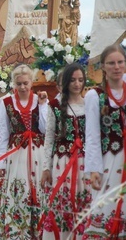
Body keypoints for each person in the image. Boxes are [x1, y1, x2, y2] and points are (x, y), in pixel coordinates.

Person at [83, 44, 126, 238]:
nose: (116, 67)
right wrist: (93, 170)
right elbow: (91, 134)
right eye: (111, 63)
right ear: (103, 67)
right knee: (105, 205)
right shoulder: (95, 96)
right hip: (109, 159)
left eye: (120, 62)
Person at [0, 65, 48, 237]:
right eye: (19, 83)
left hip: (38, 153)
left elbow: (45, 129)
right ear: (14, 84)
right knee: (18, 190)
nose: (22, 87)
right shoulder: (5, 102)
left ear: (31, 82)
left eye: (25, 83)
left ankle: (37, 230)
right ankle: (17, 231)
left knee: (38, 190)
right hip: (16, 154)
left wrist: (43, 106)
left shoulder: (40, 100)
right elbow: (1, 134)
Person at [41, 63, 91, 239]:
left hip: (85, 162)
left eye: (80, 80)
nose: (77, 84)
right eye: (72, 80)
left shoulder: (89, 104)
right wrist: (46, 168)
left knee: (84, 200)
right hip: (62, 163)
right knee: (63, 202)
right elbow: (49, 138)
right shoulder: (55, 105)